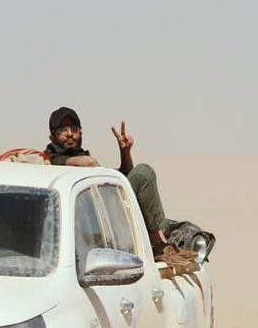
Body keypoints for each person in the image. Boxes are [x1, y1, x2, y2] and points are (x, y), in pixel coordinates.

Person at [45, 107, 210, 258]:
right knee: (143, 173)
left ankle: (166, 242)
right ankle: (157, 244)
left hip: (107, 214)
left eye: (74, 129)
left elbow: (122, 177)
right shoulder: (52, 159)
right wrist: (92, 165)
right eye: (62, 130)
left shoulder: (81, 155)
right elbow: (88, 164)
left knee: (185, 230)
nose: (69, 134)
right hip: (92, 223)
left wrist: (125, 152)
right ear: (53, 136)